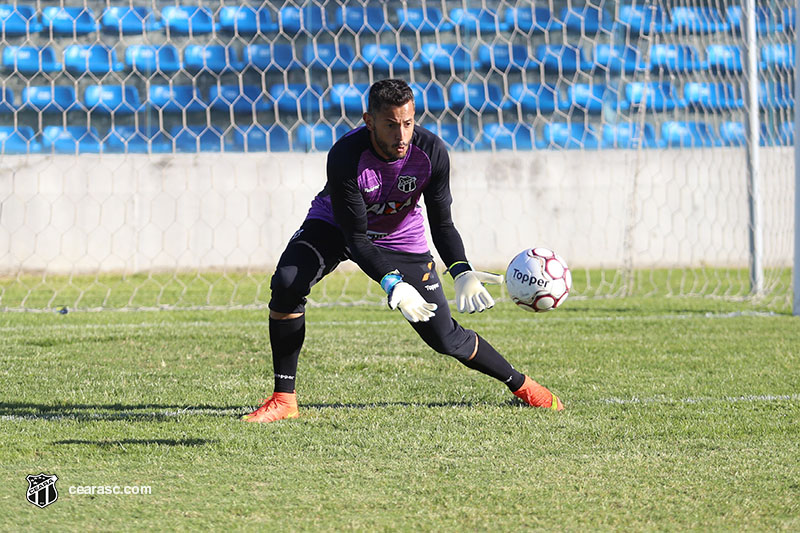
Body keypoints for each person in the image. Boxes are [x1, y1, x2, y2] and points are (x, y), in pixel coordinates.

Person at [242, 79, 564, 423]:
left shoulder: (431, 151)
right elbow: (356, 237)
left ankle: (522, 385)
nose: (401, 135)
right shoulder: (345, 155)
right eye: (391, 125)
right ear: (369, 121)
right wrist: (392, 282)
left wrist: (461, 270)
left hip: (400, 237)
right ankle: (284, 399)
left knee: (445, 338)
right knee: (288, 283)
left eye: (408, 123)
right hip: (336, 227)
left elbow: (442, 223)